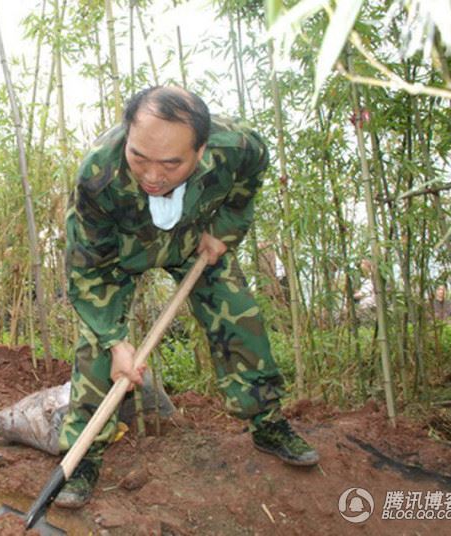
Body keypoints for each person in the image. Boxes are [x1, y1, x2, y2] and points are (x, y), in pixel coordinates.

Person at [56, 86, 319, 508]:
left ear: (201, 149)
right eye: (139, 156)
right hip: (122, 251)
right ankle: (83, 456)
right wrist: (116, 341)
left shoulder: (236, 146)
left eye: (170, 163)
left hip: (195, 239)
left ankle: (266, 421)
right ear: (127, 136)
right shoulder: (98, 175)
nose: (152, 176)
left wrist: (226, 230)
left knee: (238, 316)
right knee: (98, 349)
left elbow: (251, 178)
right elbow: (89, 272)